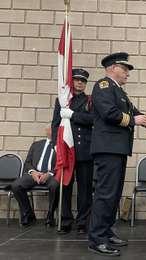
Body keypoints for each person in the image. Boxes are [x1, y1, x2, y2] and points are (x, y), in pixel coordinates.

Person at [88, 52, 146, 256]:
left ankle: (106, 231)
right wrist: (134, 120)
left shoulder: (119, 92)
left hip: (117, 149)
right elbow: (109, 113)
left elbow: (136, 114)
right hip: (108, 148)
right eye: (124, 69)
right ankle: (97, 239)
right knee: (105, 193)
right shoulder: (103, 86)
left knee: (114, 193)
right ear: (112, 68)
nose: (128, 73)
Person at [51, 68, 94, 234]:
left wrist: (73, 115)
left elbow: (93, 120)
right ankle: (66, 220)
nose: (80, 83)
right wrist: (56, 144)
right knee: (66, 187)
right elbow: (55, 123)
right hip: (67, 150)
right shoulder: (62, 101)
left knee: (84, 189)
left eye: (83, 81)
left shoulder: (91, 101)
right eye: (77, 80)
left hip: (84, 150)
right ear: (71, 81)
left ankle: (83, 222)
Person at [11, 126, 58, 227]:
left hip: (51, 175)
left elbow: (62, 164)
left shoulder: (61, 145)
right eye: (49, 128)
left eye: (54, 128)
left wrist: (49, 173)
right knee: (16, 185)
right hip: (34, 174)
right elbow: (27, 162)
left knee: (55, 185)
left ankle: (50, 215)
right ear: (46, 131)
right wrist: (33, 172)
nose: (51, 130)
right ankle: (28, 214)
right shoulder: (36, 144)